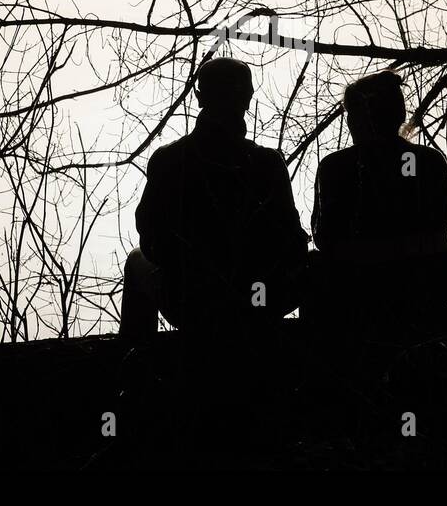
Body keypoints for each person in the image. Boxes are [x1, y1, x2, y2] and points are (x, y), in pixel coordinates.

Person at [119, 58, 308, 339]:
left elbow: (149, 239)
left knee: (136, 260)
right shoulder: (268, 162)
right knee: (317, 266)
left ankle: (135, 363)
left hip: (192, 304)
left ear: (199, 97)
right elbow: (293, 244)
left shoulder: (169, 159)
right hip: (259, 301)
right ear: (247, 98)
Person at [310, 71, 447, 335]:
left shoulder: (337, 167)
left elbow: (325, 237)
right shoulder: (429, 161)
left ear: (365, 116)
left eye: (351, 114)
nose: (349, 124)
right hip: (421, 282)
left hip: (385, 283)